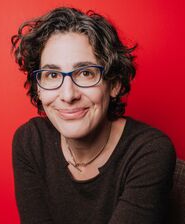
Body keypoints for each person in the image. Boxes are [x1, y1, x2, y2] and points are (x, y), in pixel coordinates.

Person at [11, 7, 176, 224]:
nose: (68, 95)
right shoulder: (31, 142)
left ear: (114, 84)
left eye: (86, 73)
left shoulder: (150, 151)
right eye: (52, 74)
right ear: (38, 87)